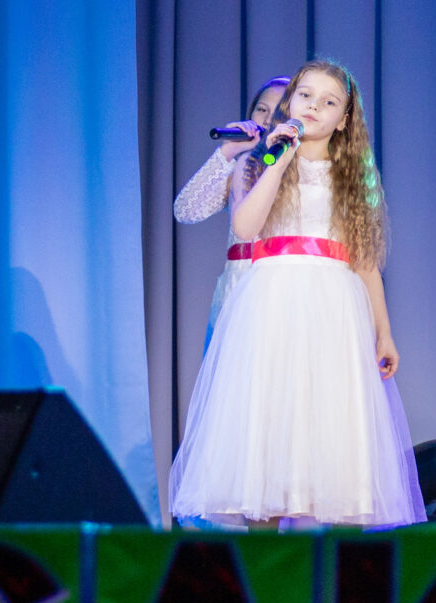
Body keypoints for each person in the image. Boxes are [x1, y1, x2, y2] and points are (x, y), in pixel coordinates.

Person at [169, 60, 422, 529]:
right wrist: (278, 159)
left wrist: (384, 331)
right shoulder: (261, 162)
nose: (315, 107)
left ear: (344, 119)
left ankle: (341, 564)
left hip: (333, 308)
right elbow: (246, 226)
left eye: (329, 102)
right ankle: (268, 557)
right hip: (272, 303)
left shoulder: (352, 177)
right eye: (305, 96)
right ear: (290, 104)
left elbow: (364, 260)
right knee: (266, 435)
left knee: (336, 434)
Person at [171, 75, 293, 345]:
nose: (266, 119)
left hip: (284, 286)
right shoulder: (241, 167)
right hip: (238, 285)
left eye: (278, 113)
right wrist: (227, 151)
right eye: (261, 109)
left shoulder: (299, 172)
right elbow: (185, 210)